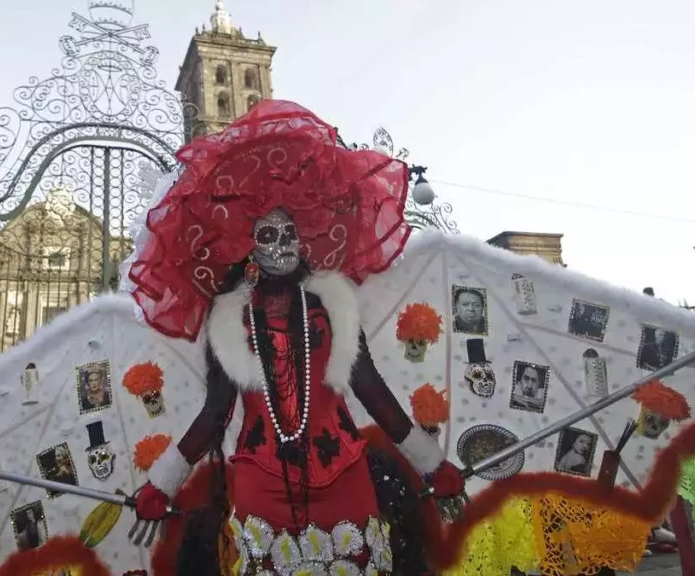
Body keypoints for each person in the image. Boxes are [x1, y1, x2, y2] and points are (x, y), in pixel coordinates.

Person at [127, 101, 464, 575]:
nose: (282, 244)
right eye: (269, 234)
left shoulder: (332, 308)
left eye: (290, 233)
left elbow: (370, 388)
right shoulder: (229, 323)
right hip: (258, 481)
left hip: (345, 470)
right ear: (250, 245)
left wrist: (431, 464)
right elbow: (216, 412)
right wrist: (161, 483)